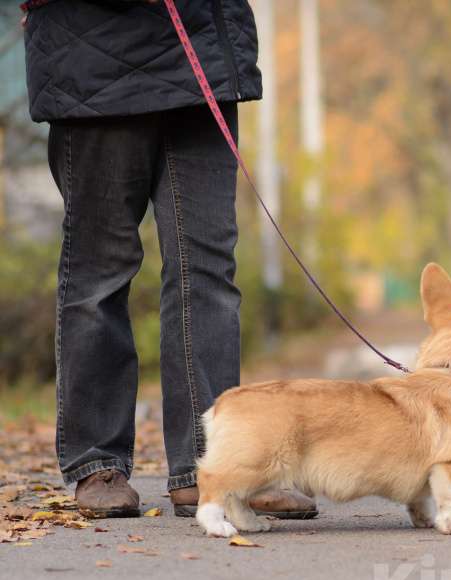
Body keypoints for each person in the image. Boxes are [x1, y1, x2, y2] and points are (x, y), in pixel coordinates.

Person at [22, 0, 317, 519]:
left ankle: (213, 466)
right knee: (99, 271)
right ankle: (97, 462)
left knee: (208, 270)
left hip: (201, 54)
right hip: (92, 61)